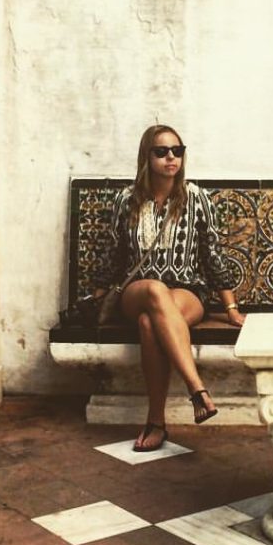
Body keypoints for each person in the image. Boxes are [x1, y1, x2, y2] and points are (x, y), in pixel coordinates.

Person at [95, 124, 245, 452]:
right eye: (161, 151)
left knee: (152, 323)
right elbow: (114, 254)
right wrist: (97, 296)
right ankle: (197, 391)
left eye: (177, 151)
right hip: (139, 290)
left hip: (187, 291)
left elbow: (213, 254)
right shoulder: (127, 200)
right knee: (154, 291)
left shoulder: (196, 198)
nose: (171, 158)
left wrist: (230, 308)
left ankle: (156, 422)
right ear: (146, 157)